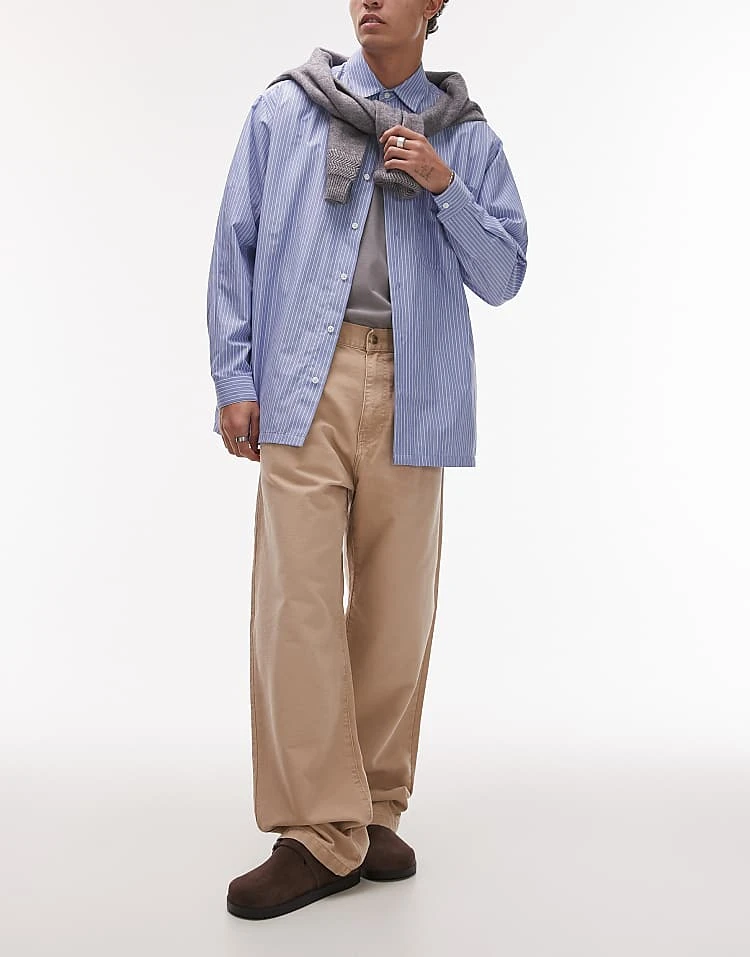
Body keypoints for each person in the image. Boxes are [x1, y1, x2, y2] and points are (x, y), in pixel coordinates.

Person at [206, 0, 528, 921]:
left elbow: (504, 275)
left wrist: (442, 182)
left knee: (396, 609)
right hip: (303, 375)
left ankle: (373, 805)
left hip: (417, 382)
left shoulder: (466, 135)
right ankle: (318, 830)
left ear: (435, 7)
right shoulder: (286, 109)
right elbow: (235, 244)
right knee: (296, 607)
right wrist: (235, 373)